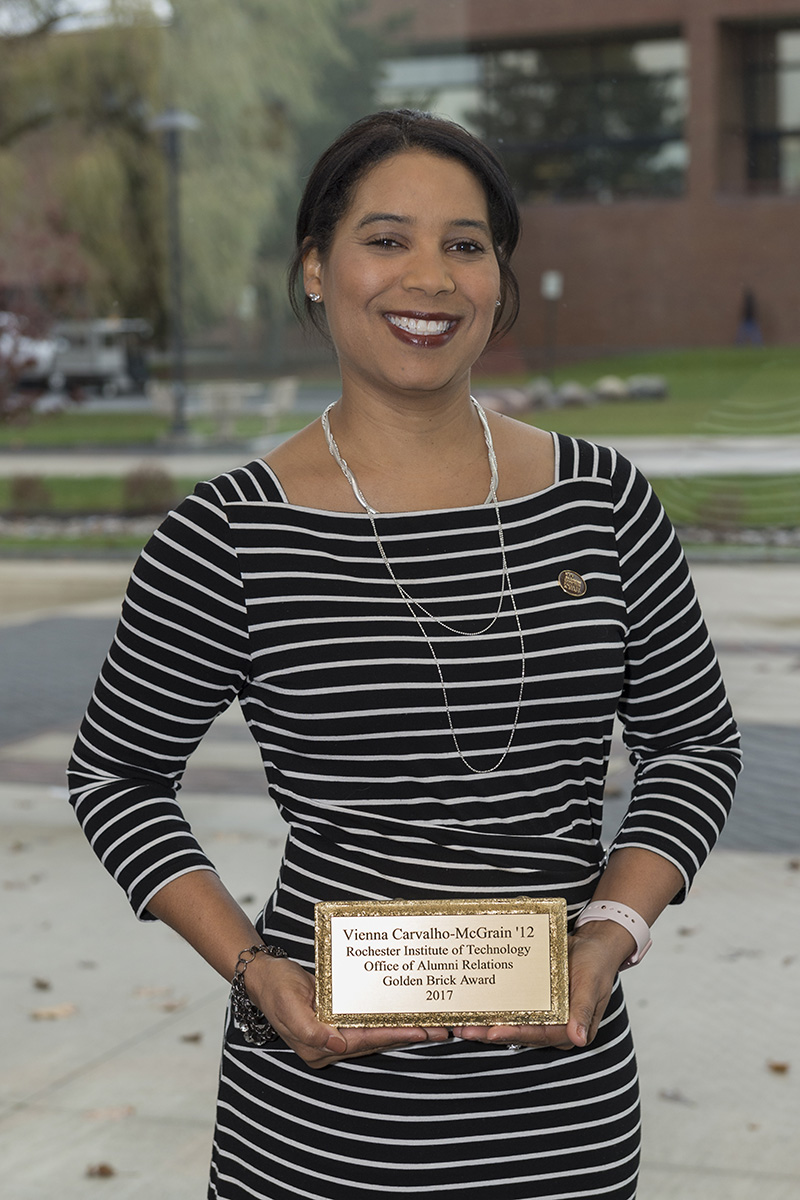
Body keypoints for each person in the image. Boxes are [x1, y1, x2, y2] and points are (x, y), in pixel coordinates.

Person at [68, 109, 741, 1200]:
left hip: (557, 1114)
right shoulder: (228, 534)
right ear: (317, 270)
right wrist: (253, 970)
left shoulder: (601, 502)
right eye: (385, 240)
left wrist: (610, 931)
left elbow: (692, 745)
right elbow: (115, 775)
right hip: (317, 1116)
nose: (427, 278)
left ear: (499, 276)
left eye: (463, 245)